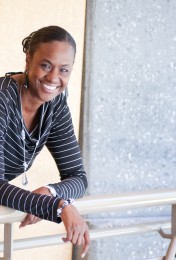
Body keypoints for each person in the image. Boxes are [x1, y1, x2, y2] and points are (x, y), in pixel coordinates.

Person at [0, 25, 90, 258]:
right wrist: (60, 206)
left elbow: (78, 177)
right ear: (29, 60)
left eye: (64, 70)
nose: (53, 78)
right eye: (46, 65)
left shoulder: (55, 105)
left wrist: (50, 192)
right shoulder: (3, 98)